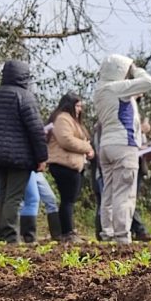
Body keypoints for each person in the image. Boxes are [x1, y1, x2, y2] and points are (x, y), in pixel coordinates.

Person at [0, 60, 48, 243]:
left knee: (3, 194)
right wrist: (42, 157)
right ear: (24, 76)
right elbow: (36, 129)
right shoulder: (25, 97)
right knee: (14, 196)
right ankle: (10, 235)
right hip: (19, 156)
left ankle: (2, 233)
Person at [95, 55, 151, 244]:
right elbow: (148, 82)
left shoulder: (101, 90)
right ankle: (122, 236)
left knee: (109, 191)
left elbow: (123, 101)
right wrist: (136, 69)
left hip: (106, 145)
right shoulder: (116, 88)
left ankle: (108, 233)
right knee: (125, 192)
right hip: (123, 145)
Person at [46, 92, 94, 242]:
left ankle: (67, 231)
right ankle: (67, 232)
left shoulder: (71, 120)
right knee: (67, 199)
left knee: (69, 199)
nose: (80, 109)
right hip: (64, 164)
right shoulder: (63, 119)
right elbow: (66, 139)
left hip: (72, 164)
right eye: (77, 106)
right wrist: (86, 147)